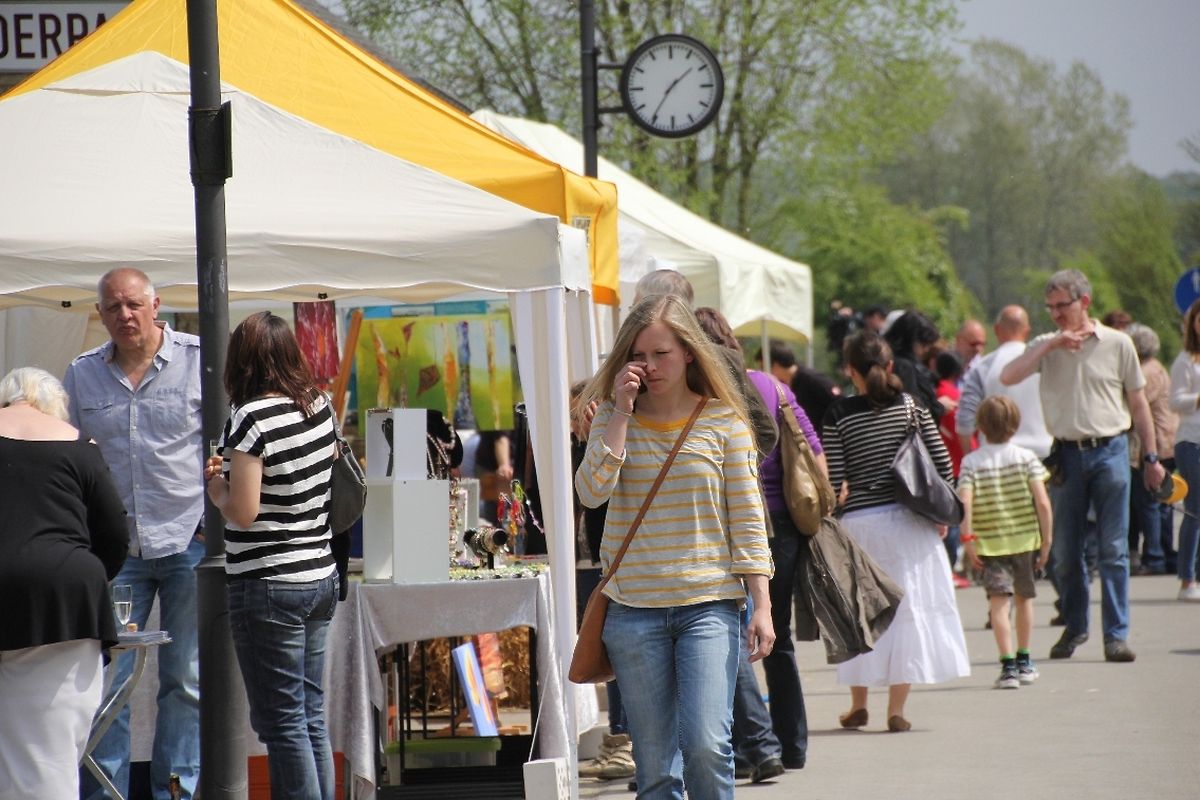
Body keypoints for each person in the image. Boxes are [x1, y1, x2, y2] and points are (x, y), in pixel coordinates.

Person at [575, 294, 775, 800]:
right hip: (632, 608)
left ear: (689, 352)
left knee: (707, 745)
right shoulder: (613, 418)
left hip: (708, 604)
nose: (649, 366)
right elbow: (591, 492)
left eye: (661, 354)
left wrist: (762, 605)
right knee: (657, 766)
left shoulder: (724, 422)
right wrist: (621, 412)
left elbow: (748, 520)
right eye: (638, 356)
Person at [64, 267, 203, 800]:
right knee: (109, 681)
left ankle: (177, 793)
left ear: (155, 306)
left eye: (133, 304)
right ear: (99, 314)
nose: (124, 315)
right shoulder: (82, 374)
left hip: (188, 540)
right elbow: (68, 457)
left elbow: (227, 444)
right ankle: (107, 794)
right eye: (113, 307)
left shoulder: (197, 360)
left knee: (185, 680)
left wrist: (211, 521)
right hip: (116, 550)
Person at [203, 311, 339, 799]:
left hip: (268, 580)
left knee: (282, 724)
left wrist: (217, 488)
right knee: (309, 716)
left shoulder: (250, 418)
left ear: (242, 361)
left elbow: (243, 511)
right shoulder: (319, 405)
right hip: (319, 572)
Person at [1000, 269, 1164, 662]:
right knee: (1065, 550)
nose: (1056, 313)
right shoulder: (1046, 344)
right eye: (1050, 307)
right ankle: (1075, 626)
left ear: (1084, 302)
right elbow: (1009, 376)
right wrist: (1050, 345)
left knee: (1113, 548)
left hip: (1111, 450)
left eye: (1063, 305)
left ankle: (1115, 636)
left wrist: (1152, 458)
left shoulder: (1118, 343)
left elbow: (1138, 403)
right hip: (1066, 454)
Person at [822, 330, 970, 732]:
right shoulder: (912, 406)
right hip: (909, 523)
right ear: (889, 365)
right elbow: (942, 464)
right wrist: (942, 512)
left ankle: (858, 705)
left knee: (861, 614)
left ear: (849, 370)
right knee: (909, 613)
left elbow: (834, 481)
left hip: (860, 527)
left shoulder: (838, 414)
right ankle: (897, 710)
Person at [697, 307, 814, 781]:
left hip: (736, 524)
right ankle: (792, 744)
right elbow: (812, 448)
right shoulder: (771, 385)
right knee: (777, 637)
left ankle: (755, 746)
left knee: (733, 634)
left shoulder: (707, 390)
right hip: (782, 525)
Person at [0, 368, 128, 799]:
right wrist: (84, 582)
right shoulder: (78, 445)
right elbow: (114, 535)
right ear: (52, 406)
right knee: (48, 756)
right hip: (62, 600)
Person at [958, 395, 1053, 689]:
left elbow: (965, 502)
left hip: (990, 544)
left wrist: (968, 539)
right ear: (1015, 424)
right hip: (1025, 541)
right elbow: (1042, 502)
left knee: (998, 604)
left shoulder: (971, 462)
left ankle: (1008, 666)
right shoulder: (1026, 458)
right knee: (1025, 599)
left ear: (981, 426)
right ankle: (1025, 660)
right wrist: (1046, 540)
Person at [957, 306, 1051, 460]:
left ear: (996, 330)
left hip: (996, 459)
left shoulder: (983, 367)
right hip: (1043, 454)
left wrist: (971, 457)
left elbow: (965, 421)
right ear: (1027, 331)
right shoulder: (1043, 362)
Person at [1125, 323, 1177, 576]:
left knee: (1148, 503)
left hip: (1155, 445)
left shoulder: (1145, 373)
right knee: (1161, 503)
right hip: (1167, 441)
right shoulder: (1157, 367)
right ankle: (1163, 553)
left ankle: (1155, 557)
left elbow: (1134, 407)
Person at [1169, 298, 1200, 602]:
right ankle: (1187, 578)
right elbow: (1175, 401)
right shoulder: (1185, 360)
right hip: (1192, 441)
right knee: (1195, 509)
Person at [763, 339, 839, 443]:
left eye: (762, 366)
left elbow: (838, 402)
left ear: (775, 365)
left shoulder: (811, 379)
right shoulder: (785, 385)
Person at [883, 310, 944, 418]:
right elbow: (913, 409)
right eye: (924, 344)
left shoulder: (888, 360)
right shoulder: (903, 367)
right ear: (912, 341)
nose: (926, 349)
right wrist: (939, 407)